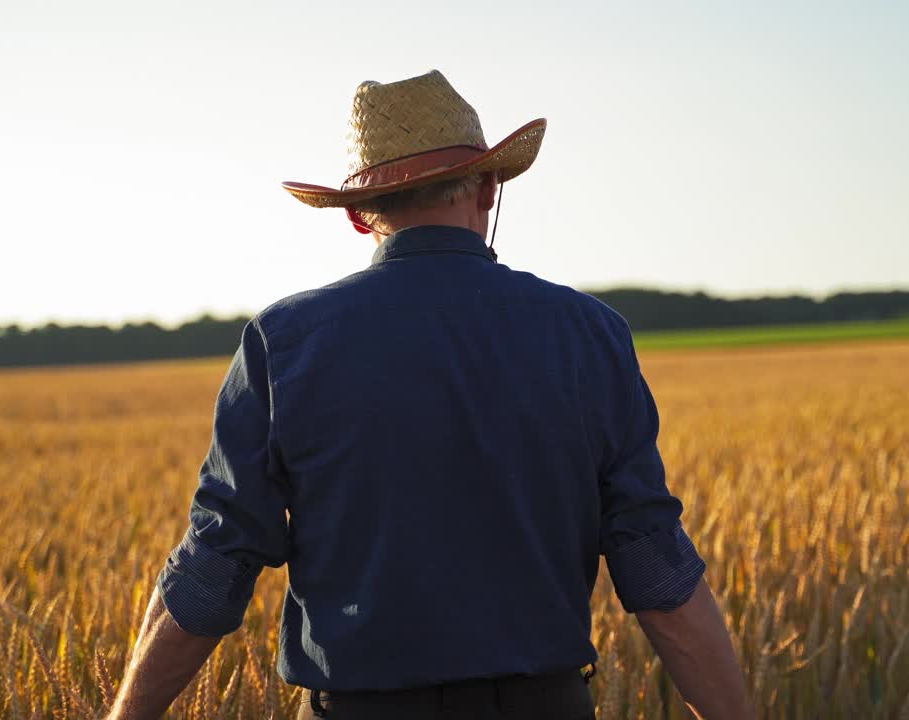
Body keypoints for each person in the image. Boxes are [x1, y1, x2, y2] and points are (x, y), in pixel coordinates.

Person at [107, 70, 752, 720]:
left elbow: (213, 568)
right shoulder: (590, 335)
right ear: (489, 188)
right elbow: (657, 573)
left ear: (359, 216)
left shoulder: (282, 343)